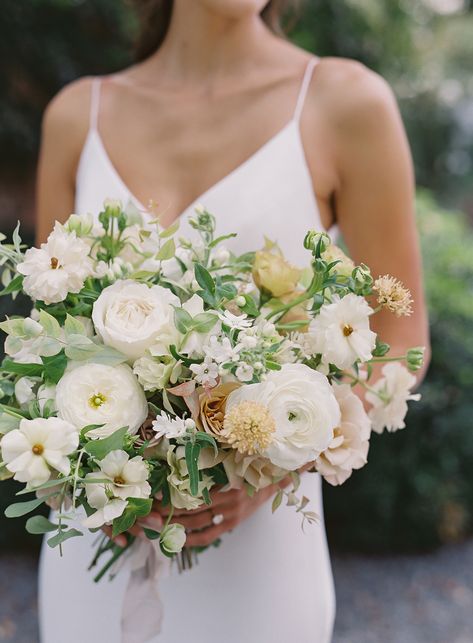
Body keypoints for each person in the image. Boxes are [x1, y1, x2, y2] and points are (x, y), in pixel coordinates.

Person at [36, 1, 430, 641]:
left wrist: (267, 463)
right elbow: (50, 343)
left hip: (258, 557)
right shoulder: (77, 114)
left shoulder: (345, 102)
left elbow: (401, 342)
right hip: (96, 539)